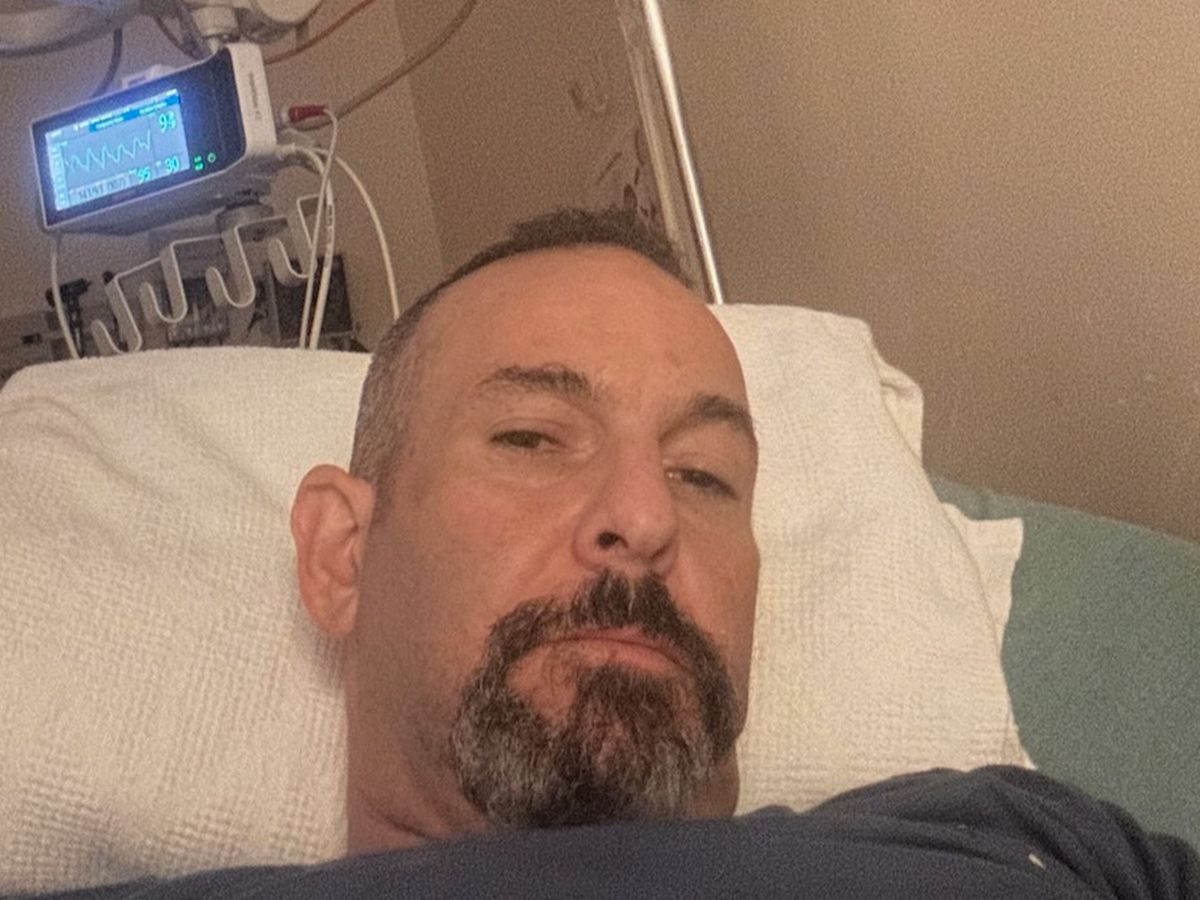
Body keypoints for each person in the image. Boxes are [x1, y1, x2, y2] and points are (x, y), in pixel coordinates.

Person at [17, 207, 1197, 899]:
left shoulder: (1014, 835)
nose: (643, 515)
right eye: (533, 438)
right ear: (343, 554)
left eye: (704, 474)